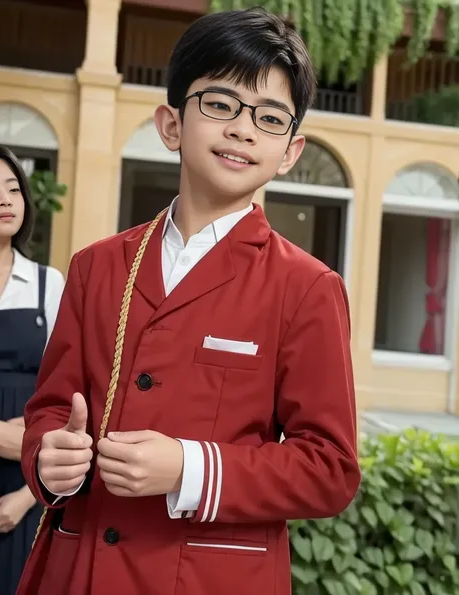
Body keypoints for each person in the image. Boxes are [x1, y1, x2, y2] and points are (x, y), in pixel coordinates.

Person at [18, 8, 361, 595]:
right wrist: (49, 461)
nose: (242, 129)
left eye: (270, 118)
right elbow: (50, 409)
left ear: (290, 151)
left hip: (209, 578)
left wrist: (189, 468)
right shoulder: (97, 266)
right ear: (172, 125)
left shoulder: (306, 287)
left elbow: (330, 468)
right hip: (78, 571)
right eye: (221, 104)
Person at [0, 143, 65, 595]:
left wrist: (25, 499)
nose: (4, 200)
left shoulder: (47, 284)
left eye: (13, 189)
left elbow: (71, 389)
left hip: (29, 489)